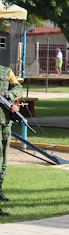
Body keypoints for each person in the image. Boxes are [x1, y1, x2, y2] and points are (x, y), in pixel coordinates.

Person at [0, 65, 23, 216]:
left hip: (5, 122)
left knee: (4, 159)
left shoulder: (6, 71)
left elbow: (18, 88)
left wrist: (7, 96)